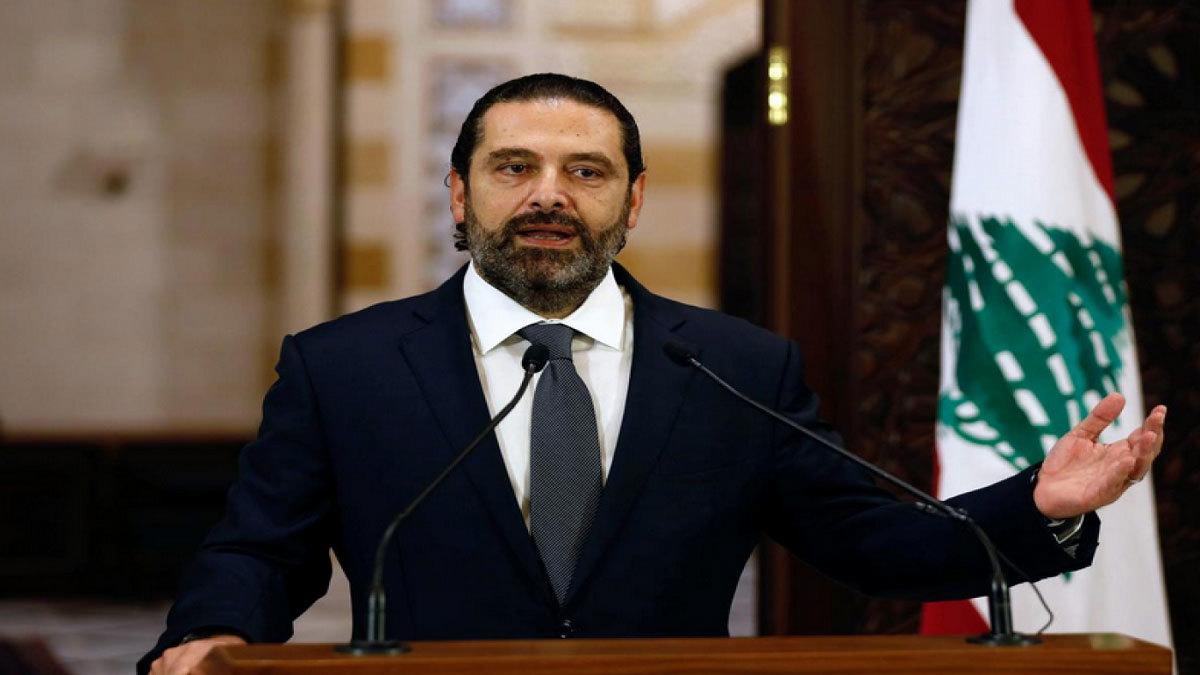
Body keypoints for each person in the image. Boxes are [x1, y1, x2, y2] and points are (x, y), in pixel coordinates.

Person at [143, 73, 1165, 675]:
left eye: (585, 172)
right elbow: (262, 547)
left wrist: (1038, 507)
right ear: (459, 195)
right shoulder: (345, 366)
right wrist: (213, 636)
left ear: (633, 201)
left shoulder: (736, 366)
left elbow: (868, 541)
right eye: (513, 168)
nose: (548, 195)